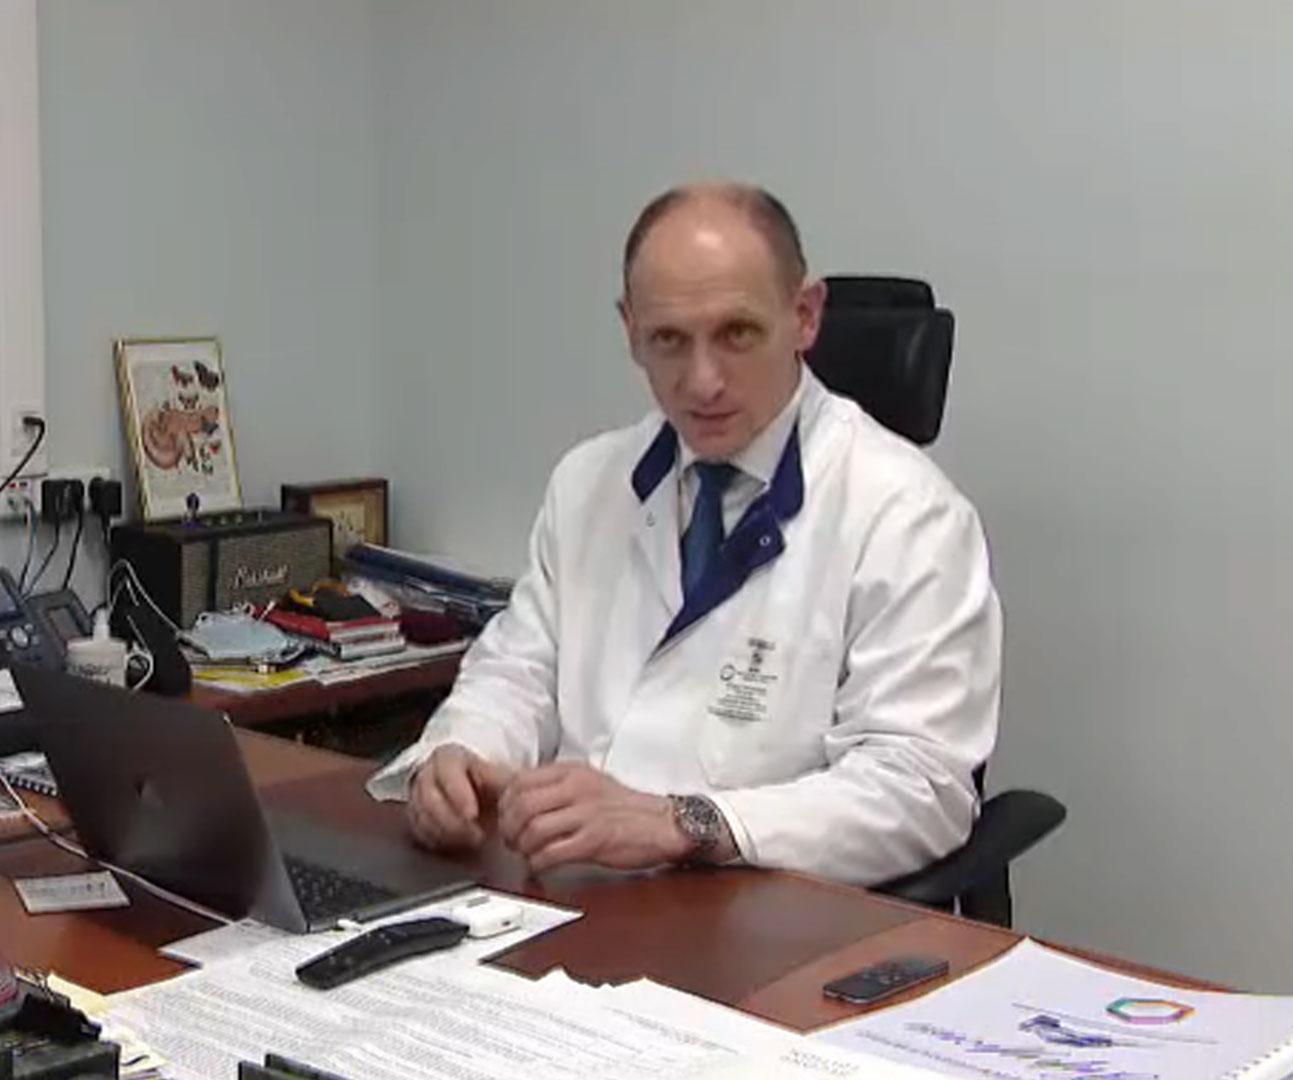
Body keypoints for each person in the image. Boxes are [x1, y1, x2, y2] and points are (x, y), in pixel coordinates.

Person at [368, 182, 1001, 886]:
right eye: (668, 340)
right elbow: (519, 670)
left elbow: (919, 789)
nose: (702, 382)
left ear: (804, 316)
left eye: (737, 334)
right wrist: (460, 753)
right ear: (630, 329)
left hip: (764, 911)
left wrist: (683, 823)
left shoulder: (907, 514)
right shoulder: (589, 482)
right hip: (568, 892)